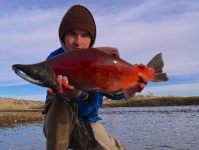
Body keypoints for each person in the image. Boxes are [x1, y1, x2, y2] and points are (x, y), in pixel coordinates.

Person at [43, 5, 149, 150]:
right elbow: (67, 94)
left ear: (91, 39)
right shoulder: (54, 61)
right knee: (59, 100)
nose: (78, 42)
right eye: (72, 34)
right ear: (63, 37)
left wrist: (131, 86)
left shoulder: (99, 60)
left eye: (85, 35)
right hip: (59, 126)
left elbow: (111, 92)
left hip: (88, 121)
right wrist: (74, 93)